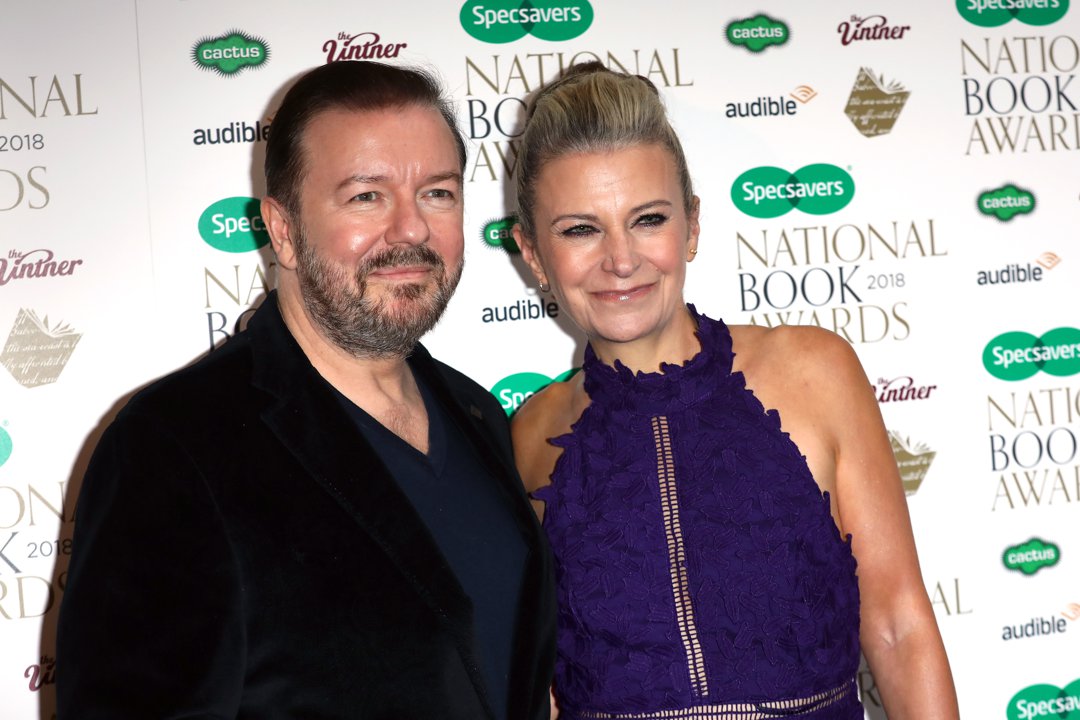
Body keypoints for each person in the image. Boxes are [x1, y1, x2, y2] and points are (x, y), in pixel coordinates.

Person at [57, 60, 554, 720]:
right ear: (283, 230)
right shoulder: (171, 448)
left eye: (437, 193)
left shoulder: (478, 415)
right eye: (365, 197)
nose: (410, 230)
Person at [509, 63, 959, 720]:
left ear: (691, 225)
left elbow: (897, 626)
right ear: (532, 253)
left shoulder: (816, 371)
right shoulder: (530, 435)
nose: (621, 259)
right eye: (581, 229)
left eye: (648, 219)